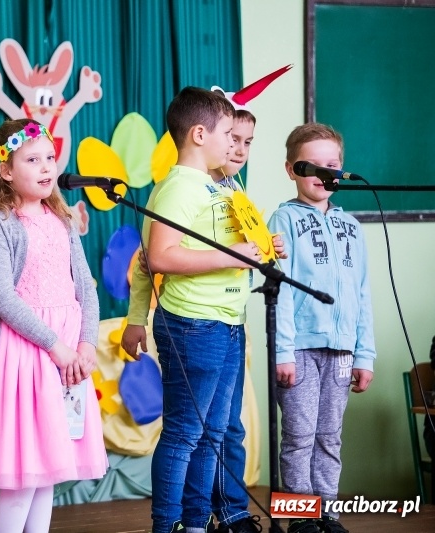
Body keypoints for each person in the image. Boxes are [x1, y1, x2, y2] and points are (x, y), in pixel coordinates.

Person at [0, 118, 108, 533]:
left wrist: (86, 343)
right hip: (23, 352)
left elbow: (85, 285)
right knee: (25, 469)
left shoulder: (61, 217)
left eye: (50, 157)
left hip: (66, 351)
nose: (46, 167)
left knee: (48, 468)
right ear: (7, 170)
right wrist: (55, 345)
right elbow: (2, 296)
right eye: (32, 160)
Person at [143, 87, 265, 533]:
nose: (233, 144)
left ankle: (197, 524)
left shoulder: (217, 186)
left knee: (213, 434)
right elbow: (160, 256)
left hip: (227, 321)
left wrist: (261, 250)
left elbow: (222, 243)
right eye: (227, 134)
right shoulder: (179, 186)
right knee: (184, 434)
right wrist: (232, 256)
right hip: (195, 324)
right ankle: (167, 525)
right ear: (199, 135)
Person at [267, 123, 376, 533]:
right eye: (311, 165)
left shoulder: (352, 227)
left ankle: (327, 514)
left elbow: (362, 292)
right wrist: (282, 351)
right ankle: (300, 517)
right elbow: (279, 291)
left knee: (329, 437)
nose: (322, 173)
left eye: (331, 165)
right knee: (299, 435)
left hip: (343, 350)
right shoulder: (283, 219)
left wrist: (365, 354)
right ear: (291, 169)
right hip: (298, 350)